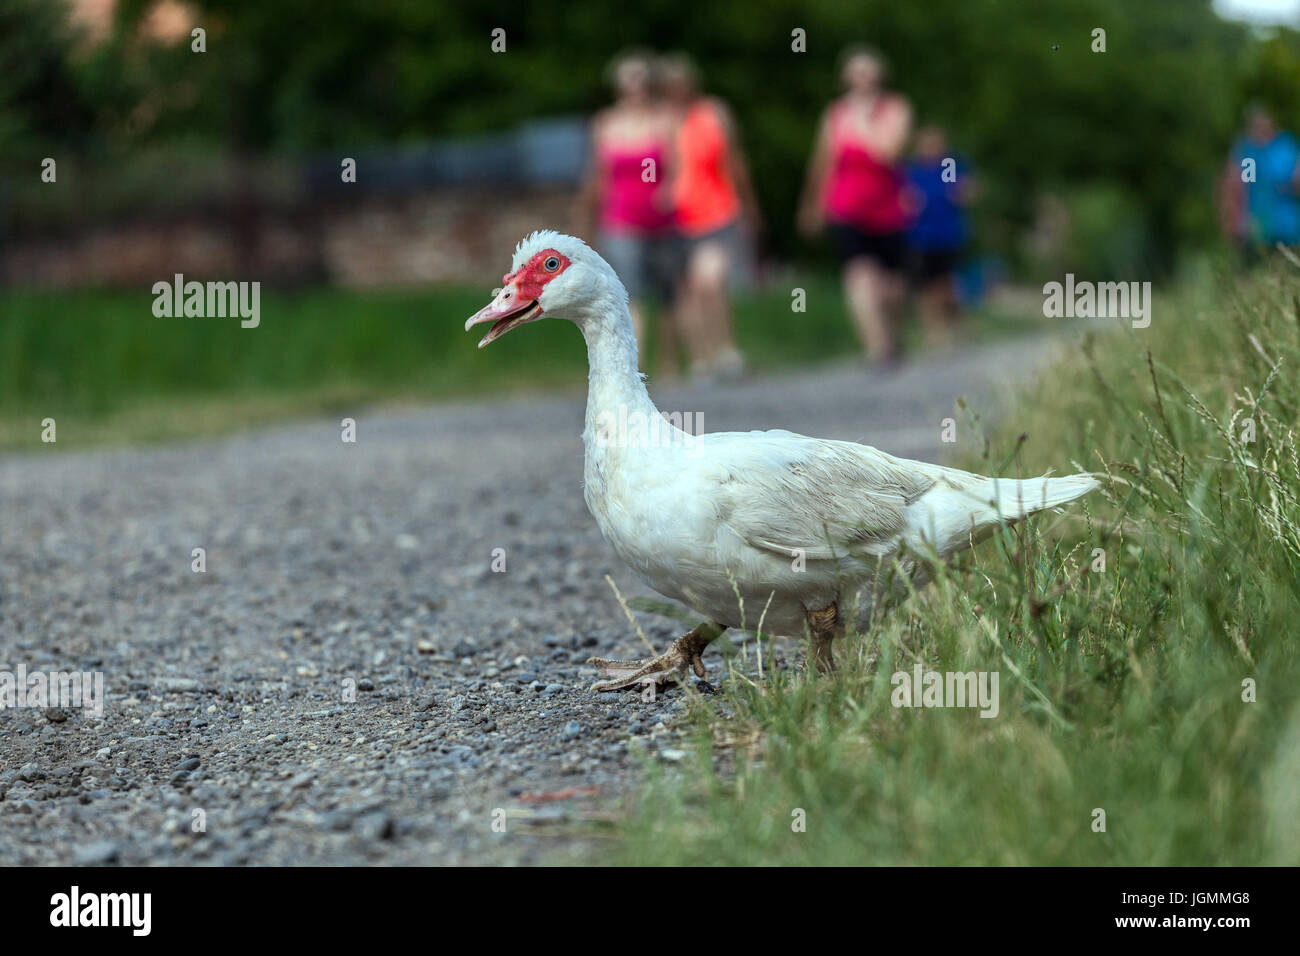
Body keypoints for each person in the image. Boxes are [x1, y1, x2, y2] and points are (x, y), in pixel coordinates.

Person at [798, 46, 911, 368]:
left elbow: (890, 152)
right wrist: (811, 205)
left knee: (892, 288)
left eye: (868, 71)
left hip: (888, 207)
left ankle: (892, 334)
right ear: (845, 77)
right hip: (846, 206)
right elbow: (823, 163)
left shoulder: (896, 109)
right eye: (856, 72)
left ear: (879, 75)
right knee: (860, 275)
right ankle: (877, 348)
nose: (862, 78)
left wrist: (862, 122)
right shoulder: (834, 114)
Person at [574, 51, 679, 369]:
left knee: (667, 294)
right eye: (630, 77)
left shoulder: (666, 120)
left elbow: (677, 169)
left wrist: (671, 190)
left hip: (662, 220)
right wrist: (586, 218)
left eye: (642, 77)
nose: (637, 84)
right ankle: (638, 368)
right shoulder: (605, 123)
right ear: (619, 84)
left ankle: (670, 362)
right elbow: (597, 175)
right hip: (620, 220)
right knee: (628, 293)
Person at [660, 53, 760, 381]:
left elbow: (734, 160)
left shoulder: (714, 112)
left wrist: (749, 205)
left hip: (718, 211)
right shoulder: (662, 121)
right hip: (677, 218)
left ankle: (726, 350)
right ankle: (701, 359)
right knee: (688, 292)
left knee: (711, 282)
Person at [904, 125, 973, 348]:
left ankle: (956, 322)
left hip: (948, 235)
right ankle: (934, 334)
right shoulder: (912, 171)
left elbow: (959, 192)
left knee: (946, 285)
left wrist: (962, 190)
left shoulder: (948, 165)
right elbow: (904, 200)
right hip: (920, 237)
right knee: (924, 287)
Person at [1219, 104, 1300, 263]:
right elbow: (1236, 188)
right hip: (1256, 229)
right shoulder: (1247, 152)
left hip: (1289, 228)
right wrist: (1233, 222)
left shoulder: (1286, 146)